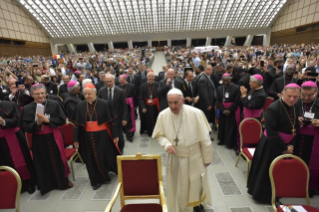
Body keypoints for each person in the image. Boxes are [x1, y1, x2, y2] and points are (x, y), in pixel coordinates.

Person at [152, 88, 213, 212]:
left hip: (194, 156)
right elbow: (160, 135)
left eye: (176, 102)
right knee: (177, 185)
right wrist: (166, 144)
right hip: (175, 157)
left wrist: (207, 158)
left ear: (183, 100)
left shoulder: (196, 113)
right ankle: (180, 208)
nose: (173, 106)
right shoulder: (163, 115)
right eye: (170, 103)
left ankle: (196, 206)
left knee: (195, 183)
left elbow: (205, 139)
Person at [247, 83, 301, 203]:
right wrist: (284, 148)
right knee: (267, 171)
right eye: (289, 96)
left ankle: (278, 192)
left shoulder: (296, 106)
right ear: (282, 94)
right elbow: (272, 133)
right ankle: (264, 196)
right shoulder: (273, 108)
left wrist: (291, 145)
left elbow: (295, 126)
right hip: (271, 145)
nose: (292, 99)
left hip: (288, 143)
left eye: (296, 96)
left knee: (281, 172)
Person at [18, 83, 72, 195]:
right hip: (39, 138)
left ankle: (63, 181)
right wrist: (37, 123)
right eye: (37, 94)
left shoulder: (54, 104)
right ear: (32, 95)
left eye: (42, 93)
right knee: (42, 161)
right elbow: (26, 128)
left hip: (54, 135)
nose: (40, 96)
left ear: (46, 93)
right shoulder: (27, 109)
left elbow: (62, 120)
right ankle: (47, 185)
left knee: (58, 158)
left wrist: (48, 121)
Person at [71, 84, 120, 190]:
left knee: (103, 156)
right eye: (85, 94)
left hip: (103, 135)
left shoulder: (104, 103)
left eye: (90, 93)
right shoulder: (80, 105)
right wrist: (75, 138)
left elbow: (113, 121)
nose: (87, 96)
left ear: (95, 92)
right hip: (87, 136)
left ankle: (106, 171)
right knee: (91, 159)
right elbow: (77, 125)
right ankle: (97, 180)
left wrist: (116, 135)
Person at [0, 98, 36, 194]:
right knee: (4, 163)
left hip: (14, 137)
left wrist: (3, 122)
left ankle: (28, 184)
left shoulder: (10, 105)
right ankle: (11, 186)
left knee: (22, 161)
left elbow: (19, 120)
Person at [296, 81, 319, 197]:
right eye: (303, 95)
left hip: (315, 140)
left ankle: (310, 188)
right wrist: (297, 118)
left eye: (310, 95)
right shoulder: (296, 101)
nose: (306, 98)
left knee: (312, 163)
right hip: (298, 138)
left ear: (316, 93)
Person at [98, 74, 127, 153]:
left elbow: (124, 106)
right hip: (105, 118)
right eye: (107, 82)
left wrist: (124, 118)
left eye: (110, 81)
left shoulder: (120, 91)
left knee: (119, 135)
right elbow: (99, 105)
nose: (109, 83)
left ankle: (120, 149)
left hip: (118, 117)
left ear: (114, 81)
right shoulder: (101, 91)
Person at [216, 73, 241, 151]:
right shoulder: (219, 88)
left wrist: (229, 110)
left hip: (233, 110)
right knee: (222, 125)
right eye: (224, 81)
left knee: (232, 126)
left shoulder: (236, 88)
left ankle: (232, 143)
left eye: (227, 81)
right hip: (223, 109)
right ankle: (222, 140)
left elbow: (237, 100)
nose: (226, 83)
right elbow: (218, 100)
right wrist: (223, 110)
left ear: (230, 80)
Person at [139, 72, 160, 136]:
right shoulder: (142, 86)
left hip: (155, 105)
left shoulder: (158, 85)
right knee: (147, 119)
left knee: (156, 118)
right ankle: (149, 131)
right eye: (149, 77)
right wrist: (143, 107)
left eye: (152, 77)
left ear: (154, 77)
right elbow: (140, 98)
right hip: (146, 106)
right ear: (147, 77)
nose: (151, 78)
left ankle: (156, 131)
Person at [118, 74, 137, 142]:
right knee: (124, 119)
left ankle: (130, 135)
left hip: (130, 106)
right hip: (122, 106)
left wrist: (135, 105)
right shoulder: (118, 87)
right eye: (119, 80)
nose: (120, 81)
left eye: (122, 80)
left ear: (126, 79)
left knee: (130, 120)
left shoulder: (131, 86)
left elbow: (135, 96)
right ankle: (126, 133)